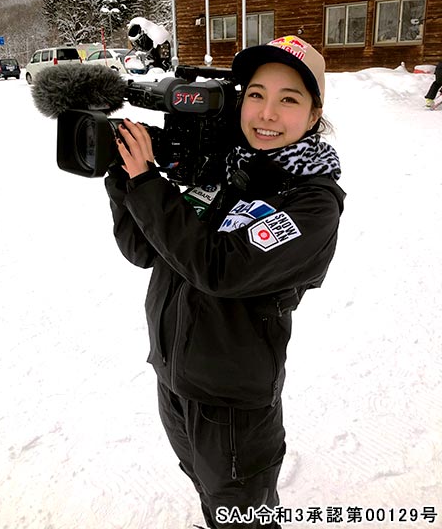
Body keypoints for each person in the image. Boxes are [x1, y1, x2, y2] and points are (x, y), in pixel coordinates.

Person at [104, 36, 345, 528]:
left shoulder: (313, 204)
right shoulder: (226, 168)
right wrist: (124, 177)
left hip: (232, 403)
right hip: (175, 375)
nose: (267, 114)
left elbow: (221, 269)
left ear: (315, 114)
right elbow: (144, 249)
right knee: (202, 479)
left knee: (242, 510)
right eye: (256, 95)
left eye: (289, 99)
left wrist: (150, 186)